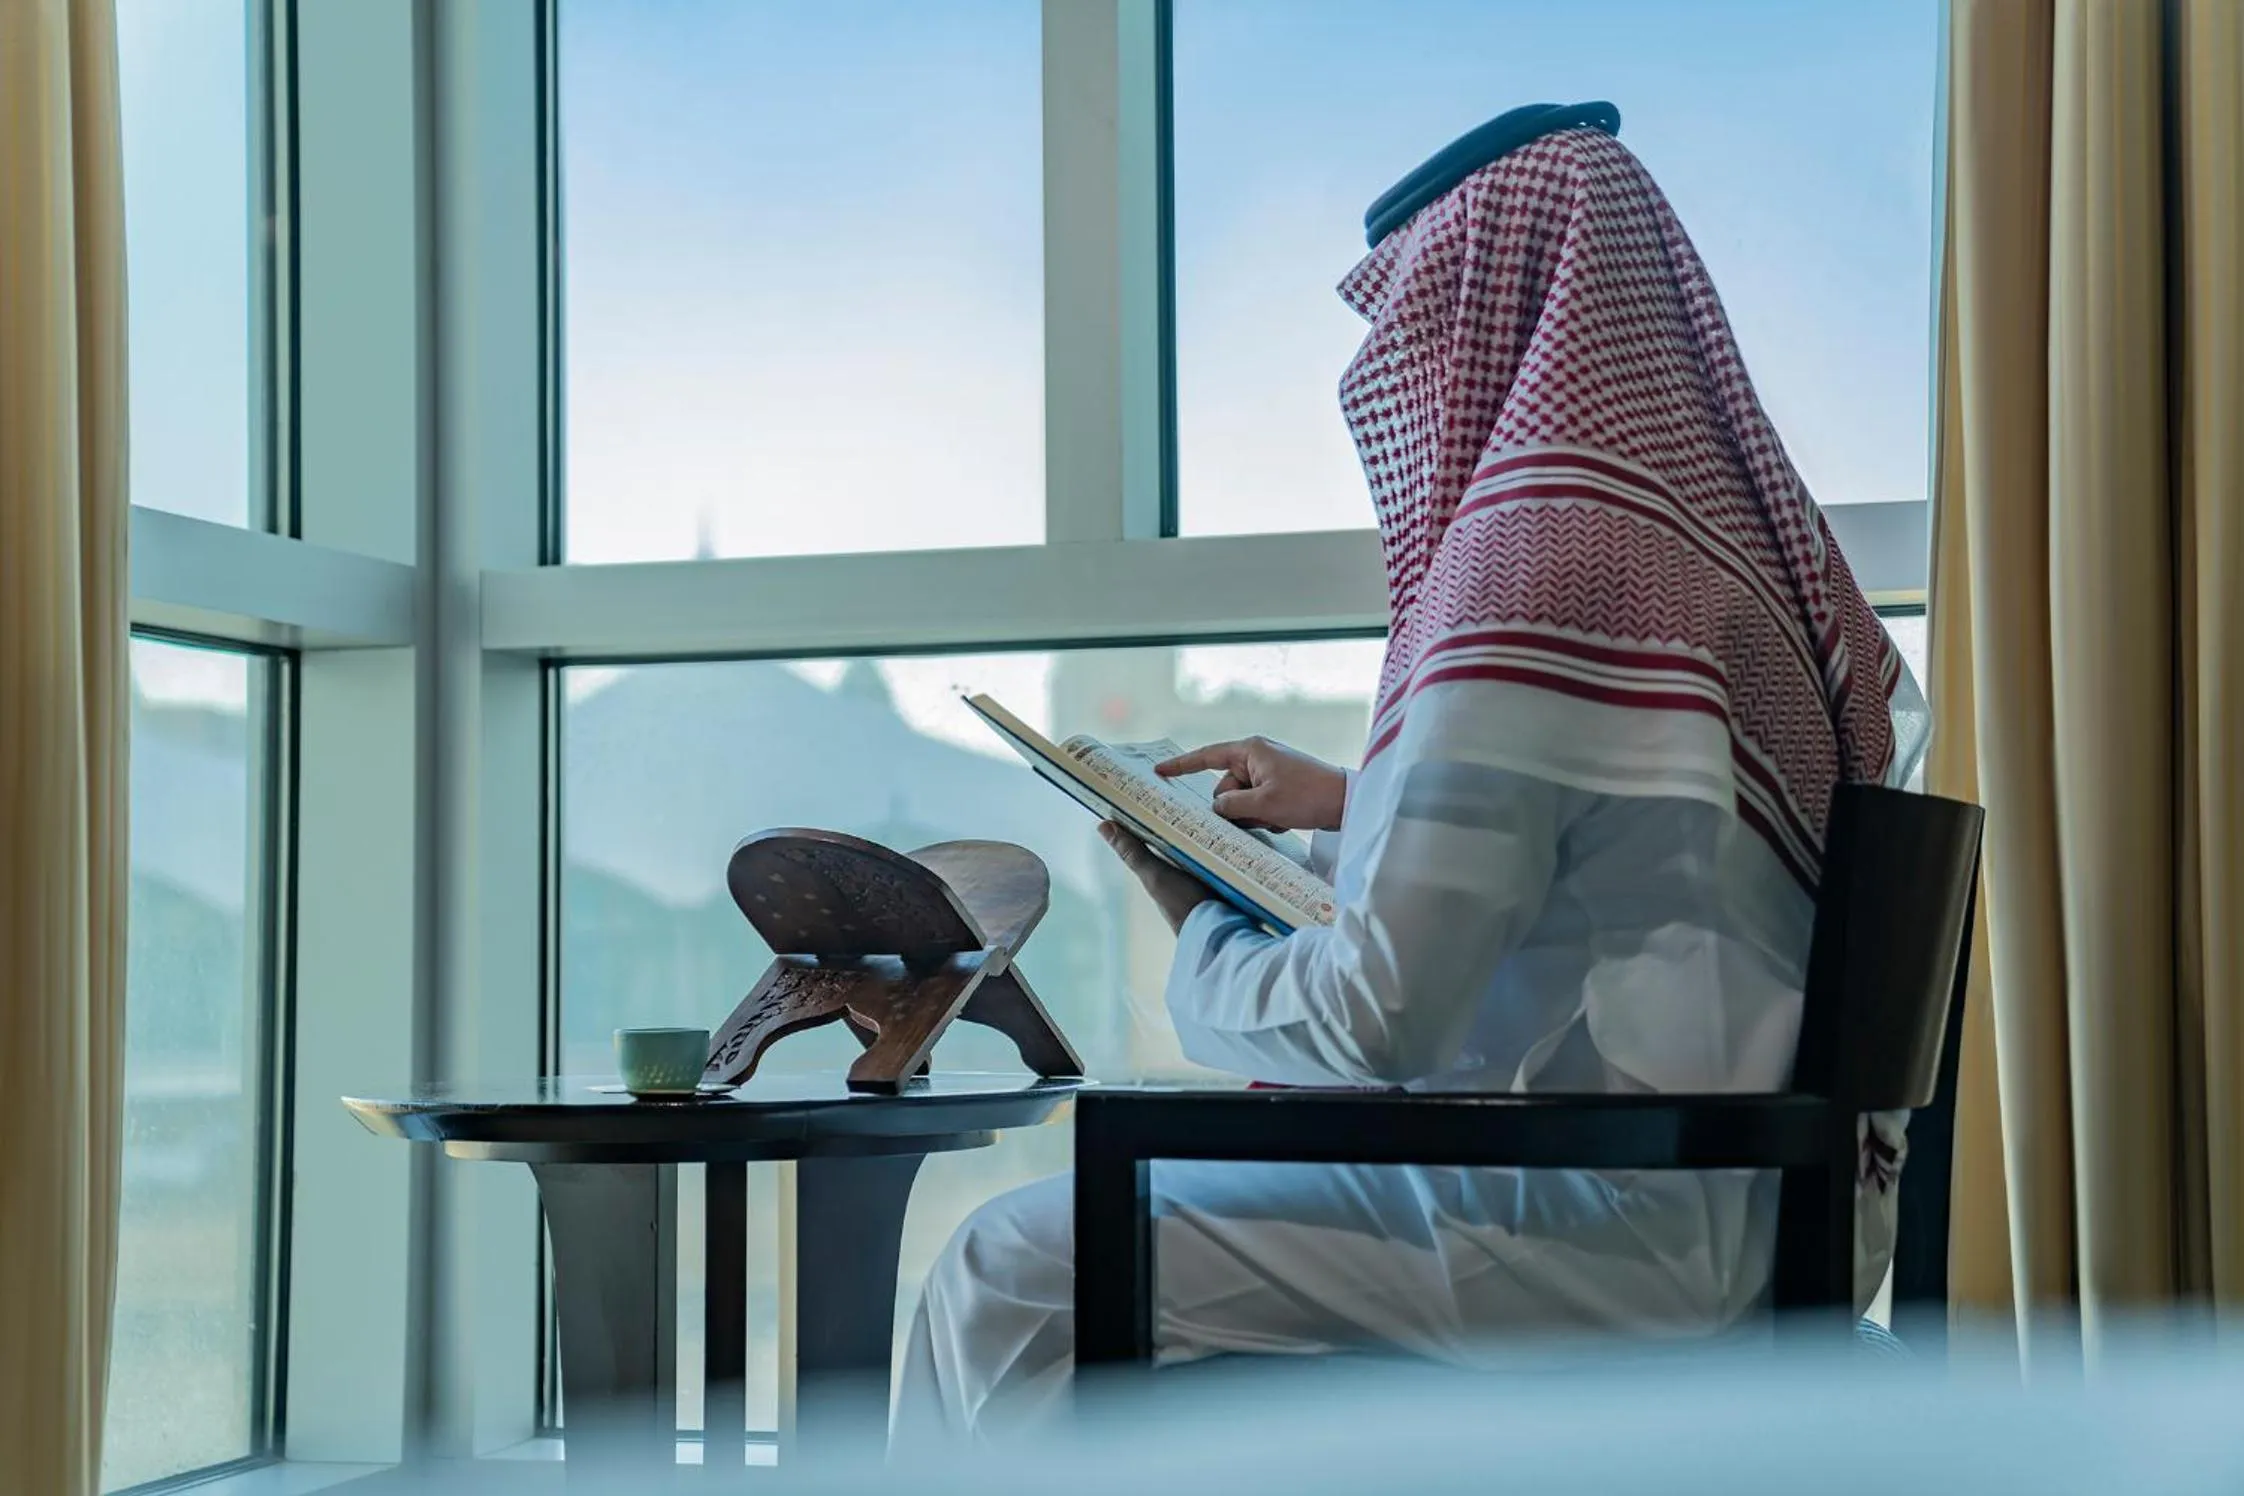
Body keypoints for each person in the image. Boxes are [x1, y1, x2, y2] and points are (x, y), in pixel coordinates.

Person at [892, 116, 1928, 1448]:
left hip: (1610, 1236)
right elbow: (1618, 862)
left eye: (1410, 318)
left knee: (1012, 1271)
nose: (1392, 362)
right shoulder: (1728, 579)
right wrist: (1346, 808)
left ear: (1485, 305)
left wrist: (1197, 919)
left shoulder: (1531, 568)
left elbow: (1389, 1019)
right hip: (1776, 1221)